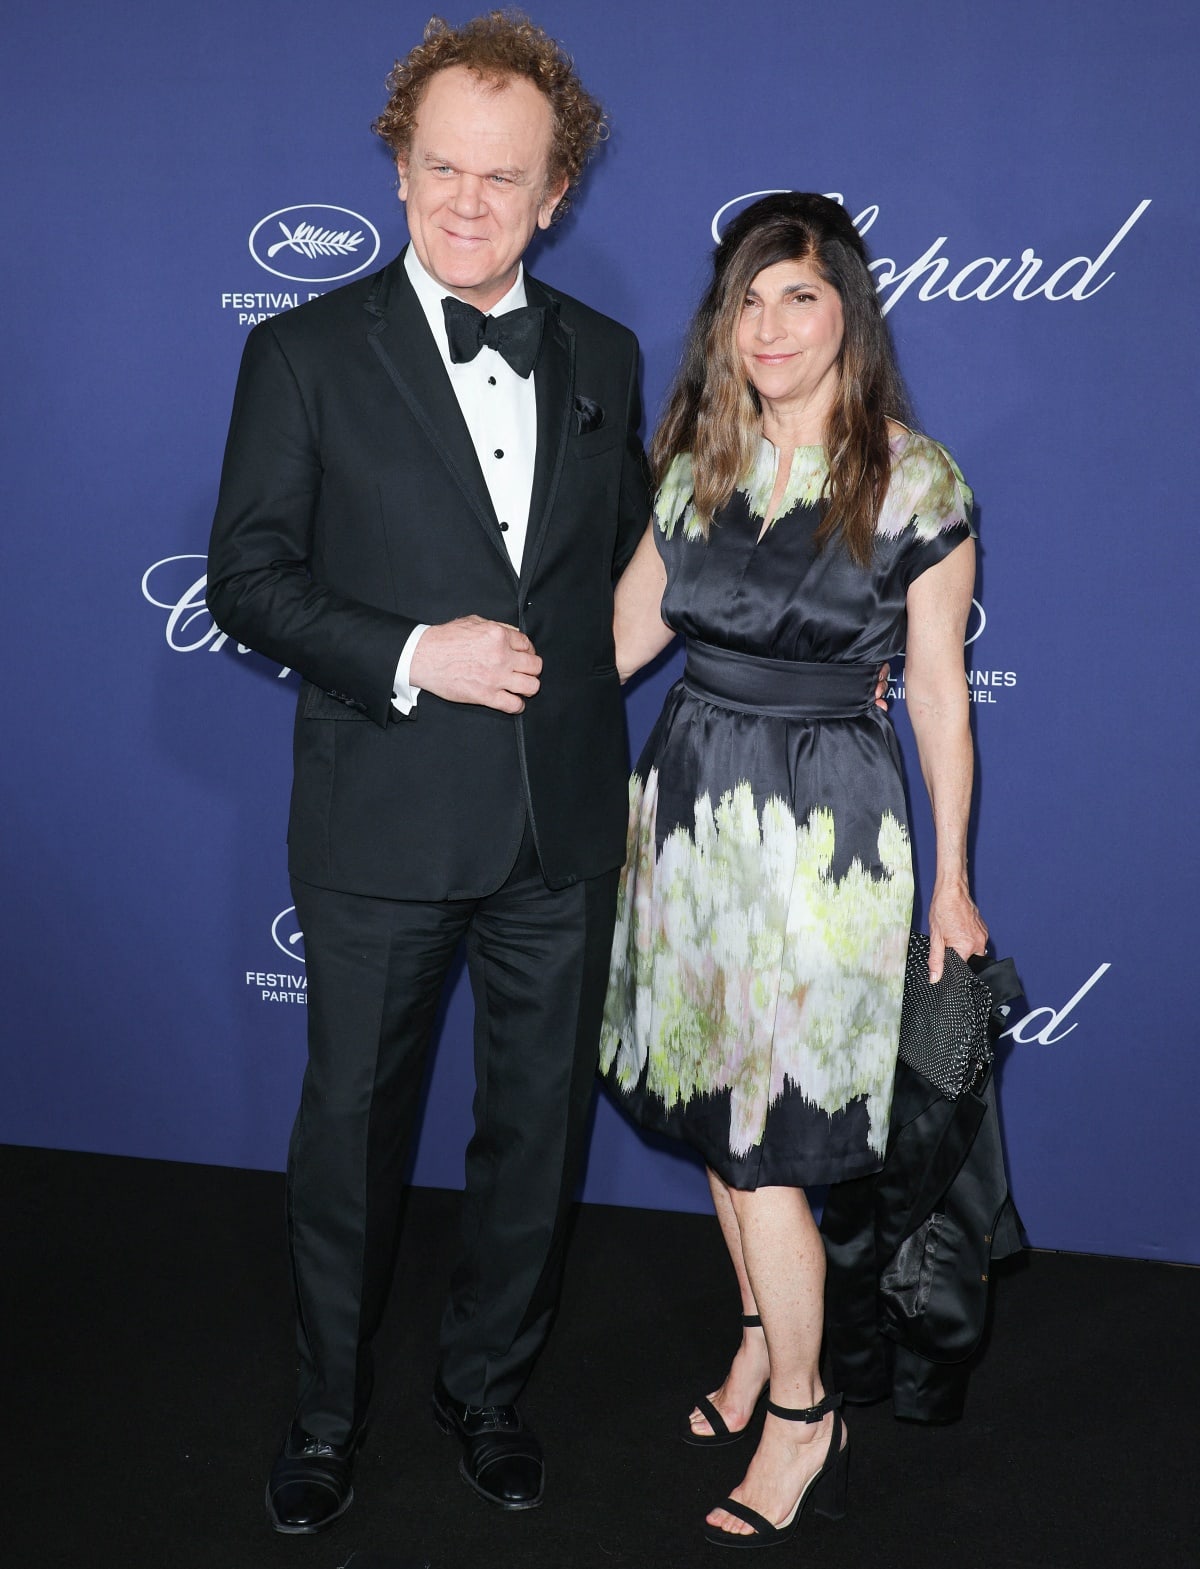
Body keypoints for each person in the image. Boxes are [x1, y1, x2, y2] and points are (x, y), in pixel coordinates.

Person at [207, 12, 649, 1534]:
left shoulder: (604, 352)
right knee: (352, 1136)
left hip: (561, 826)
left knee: (536, 1135)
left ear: (556, 191)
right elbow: (245, 580)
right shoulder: (303, 351)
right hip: (382, 821)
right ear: (399, 169)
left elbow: (624, 578)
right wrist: (413, 650)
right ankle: (327, 1415)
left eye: (504, 176)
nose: (469, 201)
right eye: (442, 167)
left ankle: (488, 1391)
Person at [601, 191, 988, 1548]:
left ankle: (805, 1415)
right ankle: (767, 1334)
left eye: (799, 297)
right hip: (692, 818)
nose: (768, 326)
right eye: (747, 299)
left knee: (771, 1149)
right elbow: (620, 646)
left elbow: (939, 696)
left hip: (827, 839)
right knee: (718, 1112)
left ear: (848, 317)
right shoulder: (698, 457)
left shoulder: (914, 478)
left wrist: (949, 884)